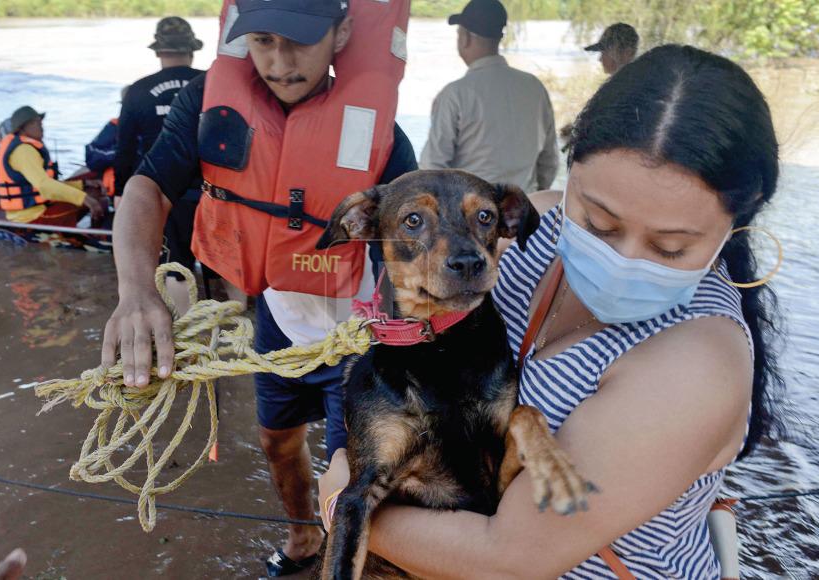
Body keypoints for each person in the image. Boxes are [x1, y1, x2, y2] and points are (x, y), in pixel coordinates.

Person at [320, 44, 784, 578]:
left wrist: (342, 502)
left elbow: (509, 559)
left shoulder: (699, 361)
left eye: (671, 246)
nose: (623, 259)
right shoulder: (530, 229)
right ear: (571, 167)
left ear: (738, 223)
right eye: (599, 222)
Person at [100, 0, 416, 575]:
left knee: (351, 475)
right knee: (275, 442)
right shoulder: (206, 103)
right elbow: (147, 187)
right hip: (279, 320)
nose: (279, 61)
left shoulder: (380, 133)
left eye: (299, 41)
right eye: (264, 41)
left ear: (343, 32)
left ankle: (365, 560)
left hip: (356, 338)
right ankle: (301, 540)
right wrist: (136, 290)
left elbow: (413, 247)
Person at [420, 0, 559, 193]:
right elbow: (549, 162)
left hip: (472, 214)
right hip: (522, 209)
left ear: (466, 38)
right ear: (499, 37)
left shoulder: (456, 94)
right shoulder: (534, 87)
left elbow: (432, 168)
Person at [115, 17, 207, 304]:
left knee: (176, 266)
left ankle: (187, 333)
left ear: (157, 51)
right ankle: (241, 330)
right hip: (216, 193)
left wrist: (120, 195)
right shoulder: (213, 84)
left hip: (164, 195)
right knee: (227, 263)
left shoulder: (138, 91)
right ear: (192, 49)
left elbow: (125, 150)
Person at [0, 106, 104, 226]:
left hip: (36, 208)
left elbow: (45, 185)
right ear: (23, 128)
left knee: (92, 191)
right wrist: (85, 199)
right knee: (97, 199)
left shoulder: (25, 147)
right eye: (36, 123)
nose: (41, 127)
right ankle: (88, 237)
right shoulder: (23, 151)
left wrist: (82, 184)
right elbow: (45, 186)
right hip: (30, 217)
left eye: (41, 123)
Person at [84, 86, 128, 201]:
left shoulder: (150, 126)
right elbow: (92, 157)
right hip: (117, 190)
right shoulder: (114, 126)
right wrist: (121, 153)